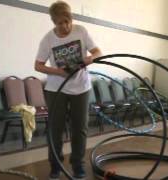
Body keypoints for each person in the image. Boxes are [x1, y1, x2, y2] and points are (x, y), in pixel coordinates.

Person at [34, 1, 102, 179]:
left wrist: (90, 59)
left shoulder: (81, 31)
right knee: (55, 130)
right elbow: (38, 66)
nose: (64, 26)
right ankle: (55, 166)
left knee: (80, 128)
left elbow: (98, 52)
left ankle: (78, 165)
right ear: (53, 22)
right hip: (56, 90)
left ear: (71, 18)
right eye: (59, 23)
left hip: (81, 88)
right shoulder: (48, 39)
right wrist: (57, 71)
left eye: (67, 21)